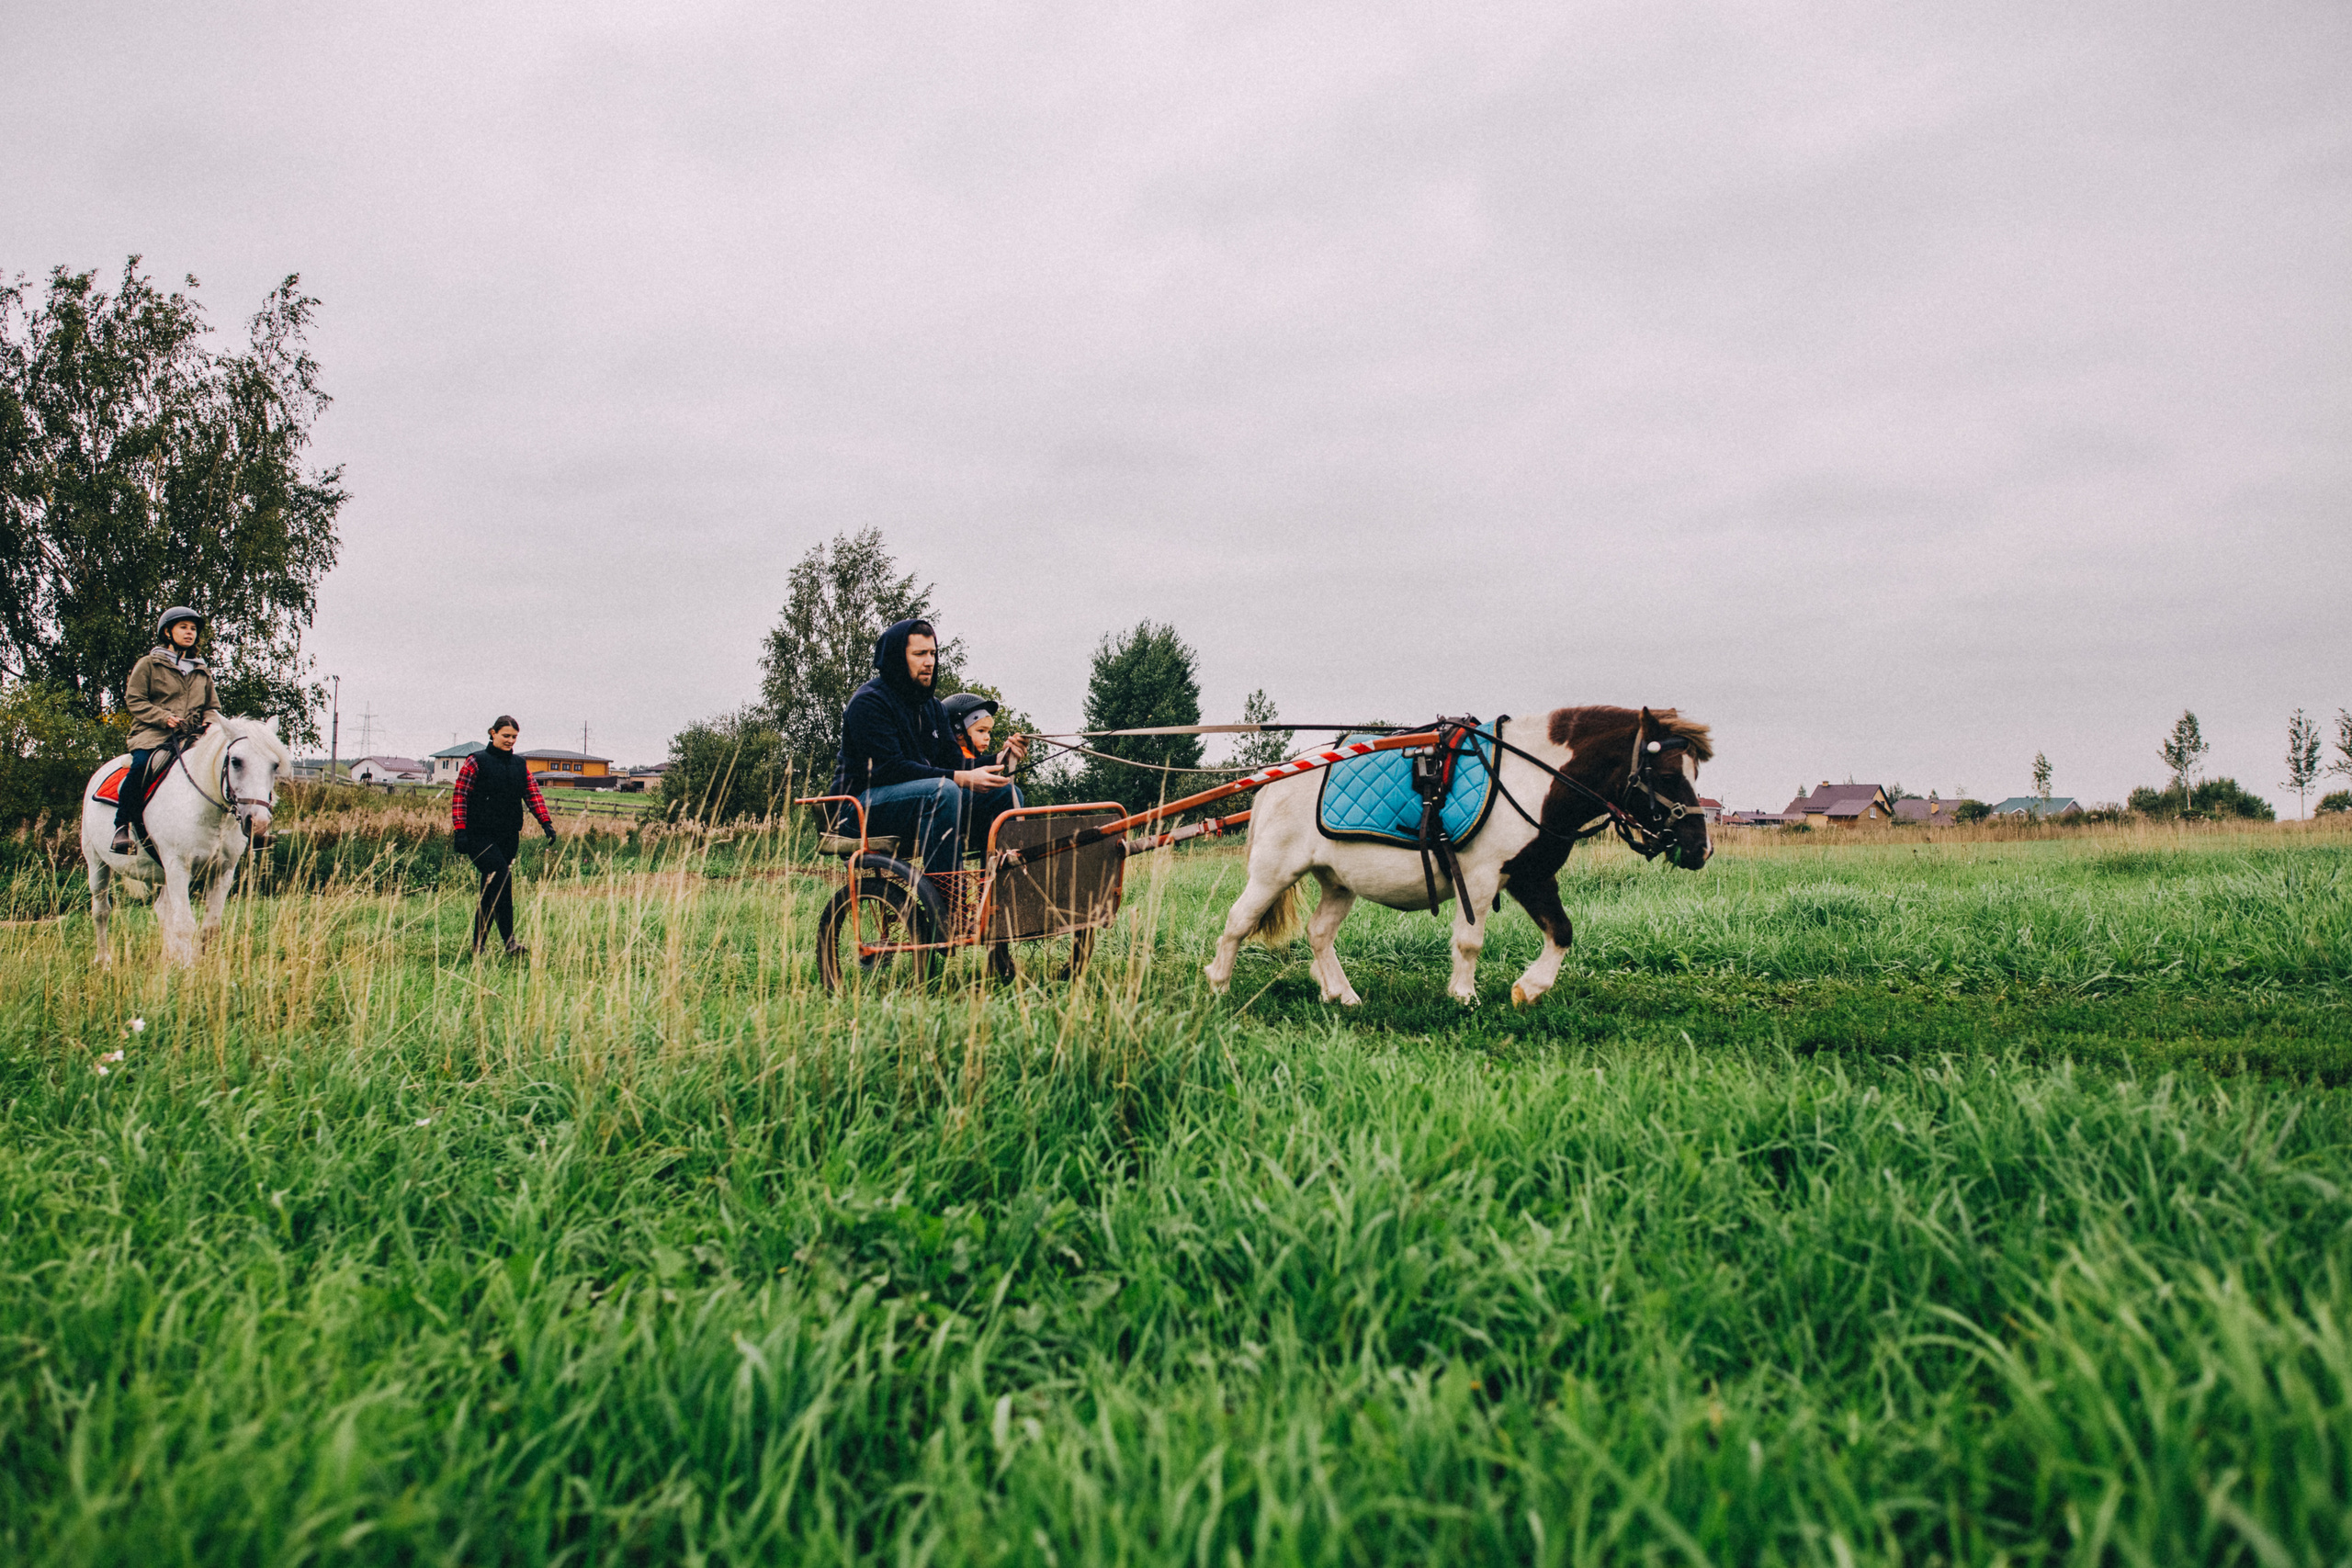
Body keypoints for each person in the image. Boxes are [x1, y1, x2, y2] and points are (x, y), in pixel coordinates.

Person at [828, 618, 1019, 879]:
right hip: (857, 812)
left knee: (1007, 793)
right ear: (898, 658)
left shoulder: (933, 707)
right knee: (944, 791)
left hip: (915, 803)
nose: (929, 661)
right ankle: (948, 906)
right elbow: (890, 770)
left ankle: (993, 899)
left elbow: (955, 762)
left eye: (932, 653)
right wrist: (960, 778)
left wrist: (1000, 758)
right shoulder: (869, 703)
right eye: (919, 654)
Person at [112, 606, 220, 854]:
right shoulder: (149, 664)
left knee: (221, 766)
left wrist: (210, 722)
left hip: (192, 737)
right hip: (152, 735)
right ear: (168, 632)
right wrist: (163, 717)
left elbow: (212, 707)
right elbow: (135, 700)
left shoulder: (201, 670)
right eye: (183, 627)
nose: (189, 633)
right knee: (140, 767)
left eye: (193, 629)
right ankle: (122, 826)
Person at [450, 715, 558, 957]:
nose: (510, 741)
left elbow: (532, 794)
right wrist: (460, 830)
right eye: (506, 735)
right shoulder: (476, 762)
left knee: (490, 889)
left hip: (508, 836)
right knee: (502, 877)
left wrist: (546, 822)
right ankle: (510, 943)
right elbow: (460, 796)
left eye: (514, 737)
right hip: (478, 835)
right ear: (492, 733)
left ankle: (478, 947)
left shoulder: (520, 765)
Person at [941, 691, 1030, 854]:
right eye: (981, 731)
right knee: (1009, 794)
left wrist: (1002, 757)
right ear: (958, 731)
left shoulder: (972, 758)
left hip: (968, 820)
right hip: (952, 817)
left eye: (989, 732)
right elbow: (966, 766)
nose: (987, 737)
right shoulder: (955, 757)